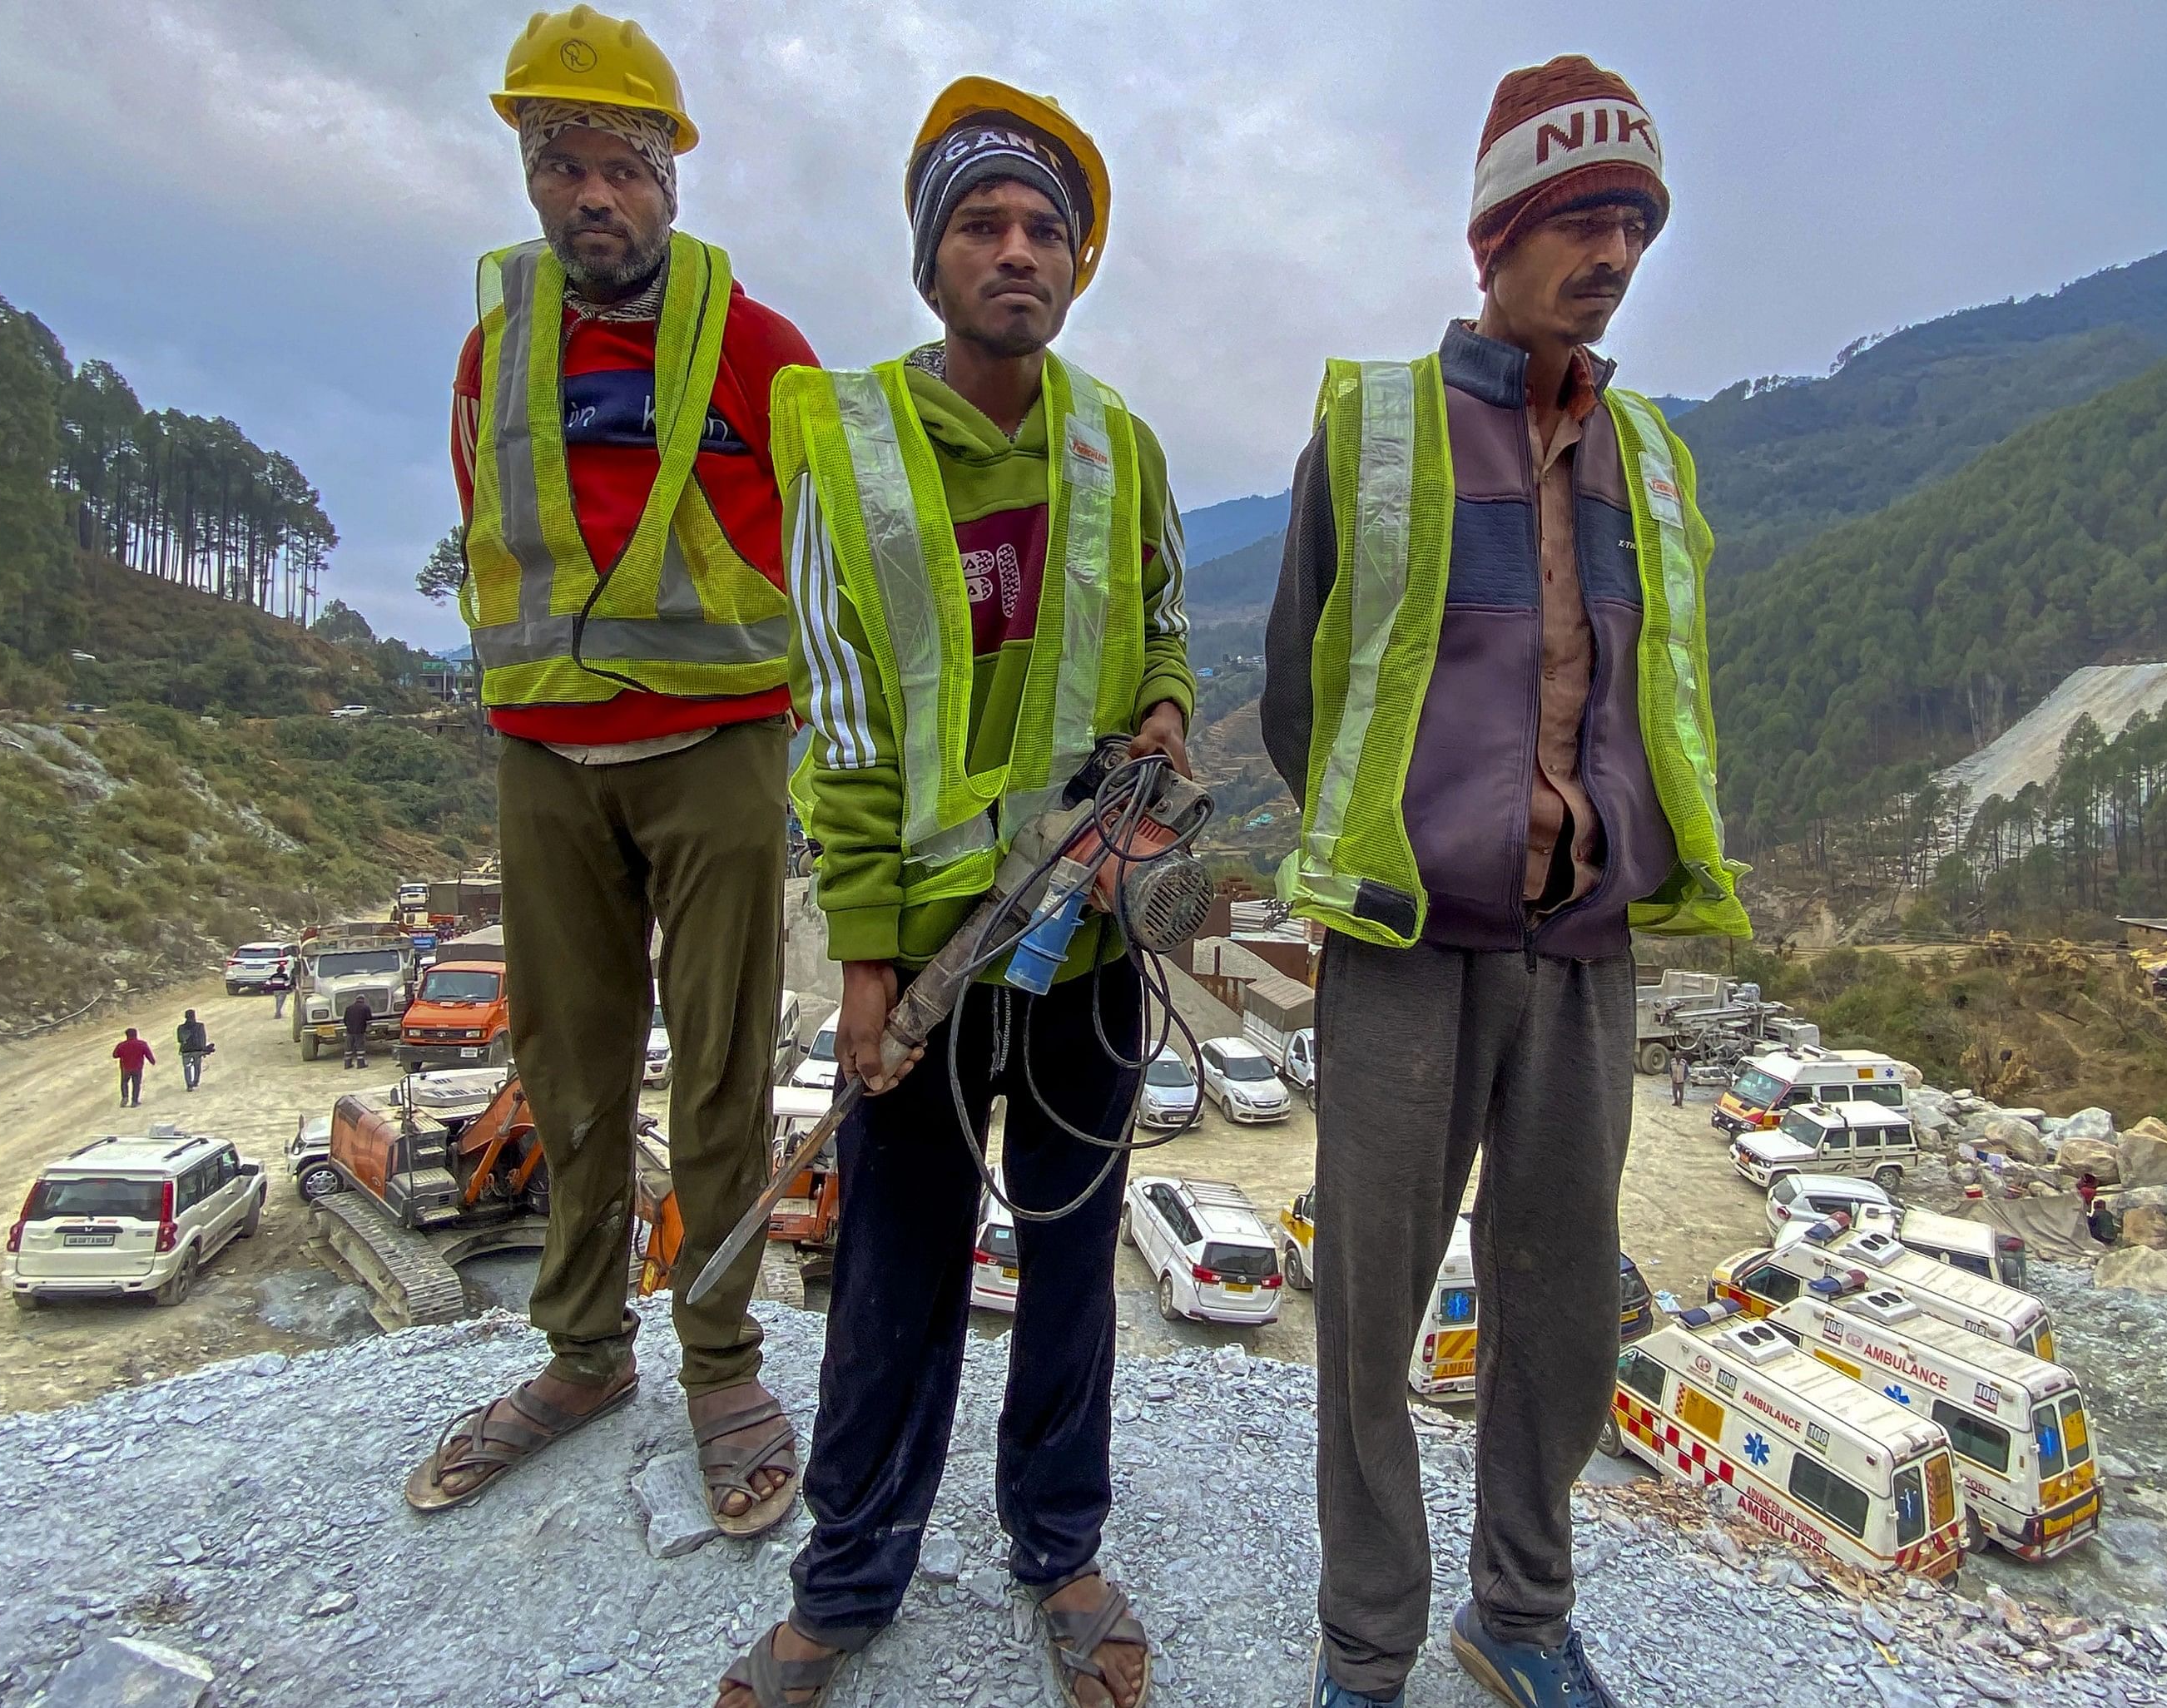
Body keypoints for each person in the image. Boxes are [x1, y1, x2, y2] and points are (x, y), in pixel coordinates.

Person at [1260, 57, 1745, 1708]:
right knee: (1368, 1320)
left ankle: (1521, 1614)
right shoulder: (1377, 428)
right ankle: (1365, 1650)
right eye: (1577, 220)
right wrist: (1411, 833)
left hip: (1583, 953)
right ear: (1496, 235)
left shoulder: (1653, 463)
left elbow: (1656, 698)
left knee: (1556, 1307)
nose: (1608, 253)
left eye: (1631, 224)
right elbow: (1297, 691)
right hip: (1408, 940)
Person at [721, 77, 1193, 1708]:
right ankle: (846, 1579)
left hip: (1079, 951)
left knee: (1071, 1265)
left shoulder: (1119, 451)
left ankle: (1059, 1550)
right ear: (928, 265)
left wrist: (1165, 726)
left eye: (1043, 229)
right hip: (920, 963)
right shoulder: (850, 452)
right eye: (982, 226)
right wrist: (861, 961)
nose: (1016, 251)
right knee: (895, 1276)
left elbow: (1158, 644)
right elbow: (841, 728)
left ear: (1076, 266)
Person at [404, 6, 822, 1542]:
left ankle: (720, 1365)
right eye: (563, 163)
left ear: (673, 181)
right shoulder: (491, 353)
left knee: (716, 1072)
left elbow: (822, 555)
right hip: (544, 758)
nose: (595, 194)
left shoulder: (765, 353)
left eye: (625, 167)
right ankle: (584, 1354)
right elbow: (500, 530)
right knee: (573, 1071)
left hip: (718, 748)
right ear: (527, 177)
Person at [112, 1029, 154, 1108]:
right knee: (136, 1084)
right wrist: (152, 1061)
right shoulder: (142, 1044)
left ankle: (125, 1097)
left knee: (124, 1083)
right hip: (137, 1067)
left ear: (127, 1035)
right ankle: (134, 1101)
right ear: (136, 1035)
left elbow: (115, 1055)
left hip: (125, 1068)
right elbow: (148, 1054)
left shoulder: (122, 1045)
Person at [176, 1008, 211, 1091]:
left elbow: (179, 1040)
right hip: (197, 1050)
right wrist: (203, 1049)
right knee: (197, 1066)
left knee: (187, 1067)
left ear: (185, 1017)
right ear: (194, 1016)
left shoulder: (181, 1028)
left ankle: (189, 1085)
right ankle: (195, 1081)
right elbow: (203, 1038)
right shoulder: (200, 1026)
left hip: (186, 1050)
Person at [341, 993, 374, 1069]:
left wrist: (349, 1027)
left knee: (349, 1048)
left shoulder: (349, 1008)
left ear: (356, 1000)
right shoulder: (366, 1007)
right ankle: (360, 1064)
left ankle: (347, 1064)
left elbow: (345, 1020)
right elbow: (369, 1019)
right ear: (363, 1000)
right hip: (360, 1031)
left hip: (350, 1031)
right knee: (360, 1048)